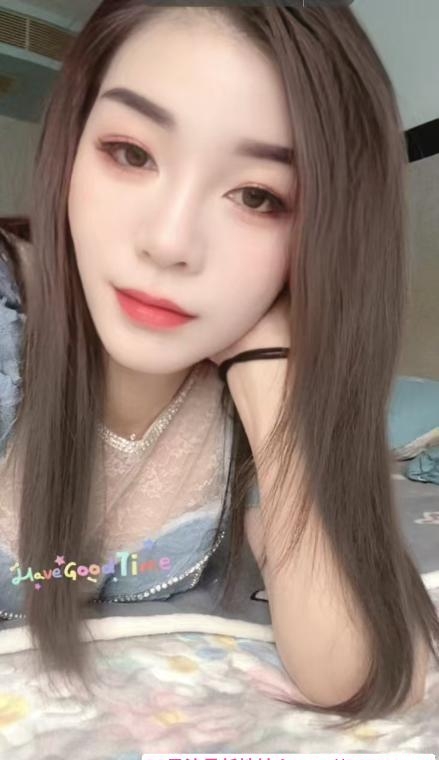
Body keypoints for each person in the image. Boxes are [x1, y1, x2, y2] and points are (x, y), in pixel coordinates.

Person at [0, 1, 437, 729]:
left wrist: (269, 378)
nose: (170, 242)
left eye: (257, 196)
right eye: (131, 153)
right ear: (71, 145)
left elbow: (352, 668)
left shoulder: (250, 402)